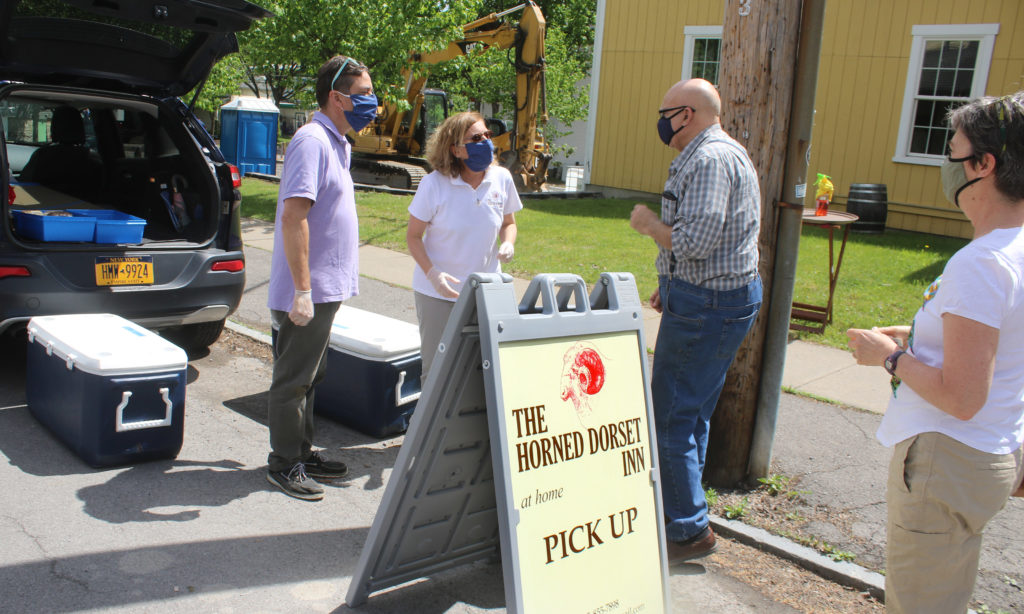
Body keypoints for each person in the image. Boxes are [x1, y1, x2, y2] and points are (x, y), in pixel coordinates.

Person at [846, 92, 1024, 613]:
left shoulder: (981, 263)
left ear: (983, 164)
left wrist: (889, 357)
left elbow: (963, 397)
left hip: (948, 462)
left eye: (953, 151)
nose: (946, 162)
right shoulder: (1013, 248)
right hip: (988, 455)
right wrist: (926, 336)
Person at [629, 78, 762, 564]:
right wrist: (670, 285)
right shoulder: (721, 153)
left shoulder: (708, 160)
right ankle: (682, 509)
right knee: (693, 412)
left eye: (665, 113)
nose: (662, 123)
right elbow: (711, 242)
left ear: (687, 114)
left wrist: (649, 225)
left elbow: (694, 243)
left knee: (671, 415)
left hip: (707, 304)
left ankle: (687, 530)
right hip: (715, 297)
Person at [265, 55, 378, 501]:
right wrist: (302, 291)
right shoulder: (312, 141)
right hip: (307, 289)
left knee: (311, 375)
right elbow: (294, 217)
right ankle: (283, 463)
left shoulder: (338, 142)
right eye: (365, 94)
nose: (373, 102)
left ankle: (301, 451)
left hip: (325, 288)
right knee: (293, 379)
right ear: (337, 97)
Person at [406, 111, 522, 378]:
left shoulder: (502, 178)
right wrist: (432, 274)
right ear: (456, 149)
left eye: (487, 135)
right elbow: (413, 236)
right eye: (476, 138)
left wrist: (508, 243)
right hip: (439, 293)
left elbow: (509, 223)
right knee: (437, 370)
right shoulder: (434, 184)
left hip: (485, 289)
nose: (486, 142)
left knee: (484, 368)